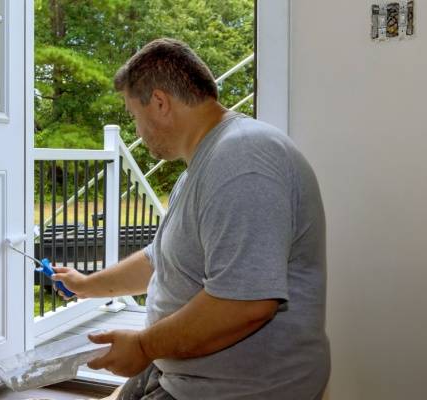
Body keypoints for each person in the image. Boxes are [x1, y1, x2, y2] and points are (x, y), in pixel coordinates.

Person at [50, 38, 330, 400]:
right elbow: (161, 259)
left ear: (161, 102)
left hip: (240, 390)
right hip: (183, 372)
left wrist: (143, 345)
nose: (137, 131)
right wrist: (86, 285)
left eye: (135, 116)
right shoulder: (205, 164)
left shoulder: (244, 159)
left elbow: (244, 303)